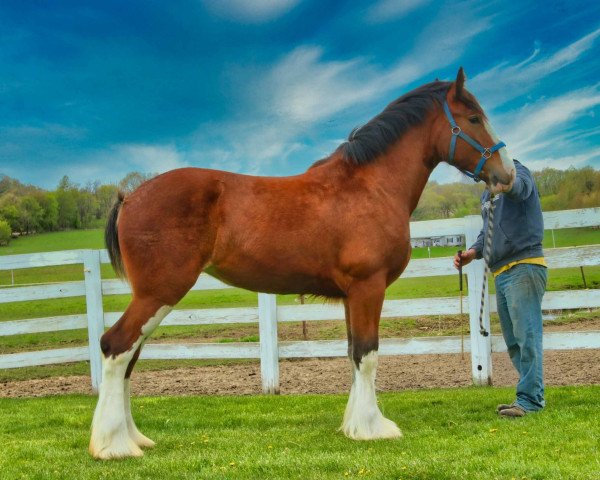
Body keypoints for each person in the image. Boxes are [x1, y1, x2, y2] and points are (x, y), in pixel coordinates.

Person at [454, 159, 547, 417]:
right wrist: (473, 252)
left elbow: (523, 188)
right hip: (502, 271)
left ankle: (530, 400)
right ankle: (529, 395)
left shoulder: (517, 171)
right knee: (514, 341)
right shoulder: (487, 192)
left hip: (523, 265)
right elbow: (488, 232)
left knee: (527, 336)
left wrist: (507, 183)